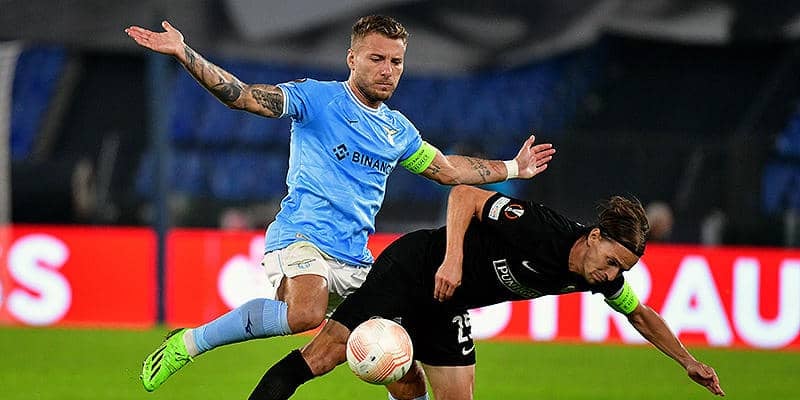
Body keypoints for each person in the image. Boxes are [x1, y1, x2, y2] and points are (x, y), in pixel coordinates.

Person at [124, 15, 557, 393]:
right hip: (301, 236)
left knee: (401, 366)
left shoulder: (397, 131)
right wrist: (184, 53)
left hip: (355, 258)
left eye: (396, 62)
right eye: (377, 58)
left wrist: (513, 167)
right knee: (306, 313)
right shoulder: (316, 99)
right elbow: (243, 95)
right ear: (352, 59)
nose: (387, 70)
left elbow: (445, 170)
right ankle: (190, 342)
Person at [248, 185, 726, 400]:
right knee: (321, 358)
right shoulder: (542, 229)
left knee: (442, 394)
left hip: (447, 305)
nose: (611, 275)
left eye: (621, 269)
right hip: (413, 269)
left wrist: (687, 361)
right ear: (595, 236)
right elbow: (464, 195)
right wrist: (453, 259)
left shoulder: (597, 276)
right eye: (612, 261)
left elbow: (640, 314)